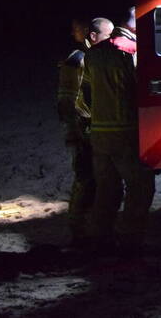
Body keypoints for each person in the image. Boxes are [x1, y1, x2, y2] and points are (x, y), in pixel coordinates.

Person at [84, 16, 155, 256]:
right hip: (124, 132)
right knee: (140, 186)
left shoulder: (92, 55)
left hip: (100, 134)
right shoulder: (126, 54)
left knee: (107, 188)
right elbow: (141, 86)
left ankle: (99, 238)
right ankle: (130, 241)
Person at [57, 18, 104, 248]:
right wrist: (74, 131)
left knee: (96, 181)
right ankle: (78, 232)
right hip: (83, 129)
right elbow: (66, 100)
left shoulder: (94, 59)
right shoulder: (77, 60)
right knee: (86, 180)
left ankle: (90, 229)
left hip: (94, 129)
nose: (73, 32)